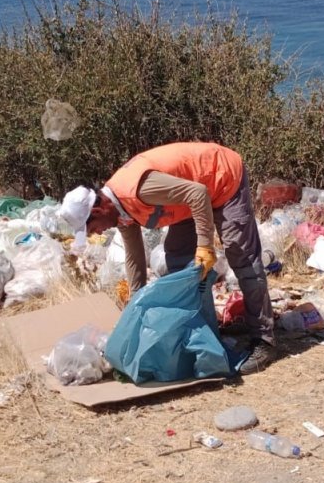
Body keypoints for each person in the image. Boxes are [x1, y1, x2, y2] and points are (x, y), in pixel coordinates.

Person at [59, 142, 276, 374]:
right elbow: (134, 256)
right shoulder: (120, 211)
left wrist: (205, 245)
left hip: (221, 177)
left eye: (91, 227)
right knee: (179, 258)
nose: (95, 233)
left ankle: (264, 339)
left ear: (98, 210)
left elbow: (198, 193)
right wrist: (136, 306)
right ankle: (207, 334)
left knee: (240, 255)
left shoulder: (137, 190)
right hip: (189, 201)